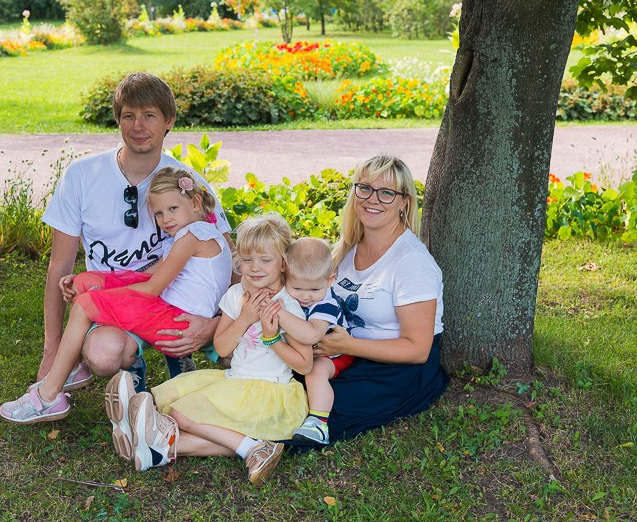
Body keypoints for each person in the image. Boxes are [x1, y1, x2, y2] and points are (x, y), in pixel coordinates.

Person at [38, 72, 232, 393]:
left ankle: (180, 358)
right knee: (103, 354)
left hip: (174, 301)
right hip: (117, 299)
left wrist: (215, 325)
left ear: (169, 121)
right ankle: (132, 361)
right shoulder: (82, 176)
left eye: (149, 116)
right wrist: (52, 349)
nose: (138, 127)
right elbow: (59, 267)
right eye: (129, 116)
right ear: (118, 120)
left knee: (239, 346)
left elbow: (227, 258)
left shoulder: (186, 182)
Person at [0, 167, 233, 424]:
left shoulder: (190, 237)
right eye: (158, 213)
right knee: (90, 284)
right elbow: (146, 274)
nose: (165, 219)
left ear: (196, 201)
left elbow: (153, 287)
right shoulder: (198, 233)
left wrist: (102, 295)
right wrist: (88, 281)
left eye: (173, 209)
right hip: (174, 311)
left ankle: (49, 395)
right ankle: (73, 366)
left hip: (178, 321)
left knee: (87, 304)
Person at [103, 214, 311, 484]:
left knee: (180, 413)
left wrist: (272, 338)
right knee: (168, 396)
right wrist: (246, 318)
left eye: (265, 260)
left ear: (283, 263)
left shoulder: (287, 305)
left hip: (269, 392)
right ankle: (152, 443)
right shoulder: (236, 296)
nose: (255, 268)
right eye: (247, 260)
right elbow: (223, 348)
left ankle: (250, 447)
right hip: (235, 381)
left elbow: (305, 364)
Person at [311, 155, 449, 443]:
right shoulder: (348, 247)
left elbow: (418, 350)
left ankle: (244, 445)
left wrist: (347, 344)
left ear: (404, 202)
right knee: (277, 388)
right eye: (365, 188)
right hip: (345, 355)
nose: (372, 199)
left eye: (387, 193)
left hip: (398, 369)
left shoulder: (411, 261)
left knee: (308, 413)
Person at [261, 237, 351, 445]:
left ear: (330, 280)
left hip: (335, 354)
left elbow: (311, 335)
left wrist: (277, 312)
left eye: (313, 290)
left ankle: (319, 423)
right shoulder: (288, 293)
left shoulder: (326, 304)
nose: (305, 297)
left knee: (316, 370)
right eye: (298, 288)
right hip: (304, 353)